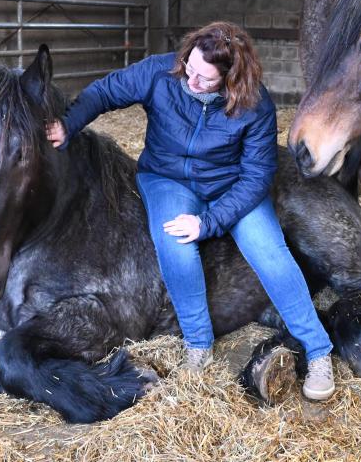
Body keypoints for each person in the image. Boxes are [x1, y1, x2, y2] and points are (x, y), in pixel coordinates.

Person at [45, 21, 335, 400]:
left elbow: (257, 175)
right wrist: (68, 124)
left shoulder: (256, 104)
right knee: (174, 243)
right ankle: (198, 348)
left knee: (271, 255)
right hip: (167, 179)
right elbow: (105, 92)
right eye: (190, 68)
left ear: (232, 79)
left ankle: (318, 351)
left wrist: (208, 222)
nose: (192, 81)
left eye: (206, 79)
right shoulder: (163, 71)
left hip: (232, 186)